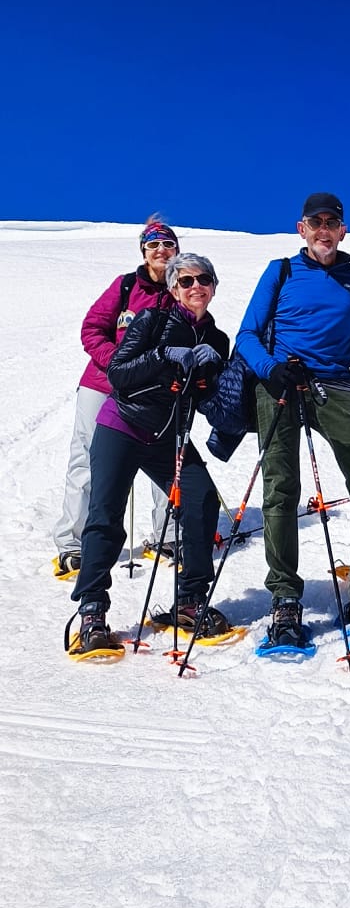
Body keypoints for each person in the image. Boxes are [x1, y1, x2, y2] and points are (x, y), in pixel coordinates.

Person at [236, 192, 350, 648]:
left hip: (334, 384)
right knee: (281, 487)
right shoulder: (281, 270)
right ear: (301, 229)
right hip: (280, 382)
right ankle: (285, 599)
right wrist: (271, 369)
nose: (323, 229)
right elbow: (247, 334)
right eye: (315, 222)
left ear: (342, 231)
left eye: (331, 222)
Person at [67, 253, 230, 655]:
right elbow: (119, 374)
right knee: (105, 515)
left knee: (201, 501)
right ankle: (91, 611)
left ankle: (190, 600)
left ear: (213, 286)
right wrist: (161, 357)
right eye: (186, 281)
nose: (196, 287)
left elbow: (209, 402)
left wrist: (212, 376)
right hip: (122, 425)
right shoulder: (151, 321)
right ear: (173, 289)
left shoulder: (216, 339)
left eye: (203, 280)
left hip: (168, 437)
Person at [53, 214, 179, 576]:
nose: (160, 250)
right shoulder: (125, 286)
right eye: (153, 244)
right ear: (143, 251)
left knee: (166, 459)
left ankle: (169, 535)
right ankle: (74, 543)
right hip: (102, 384)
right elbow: (92, 328)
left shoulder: (182, 290)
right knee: (87, 458)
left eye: (167, 244)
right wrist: (119, 365)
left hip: (154, 393)